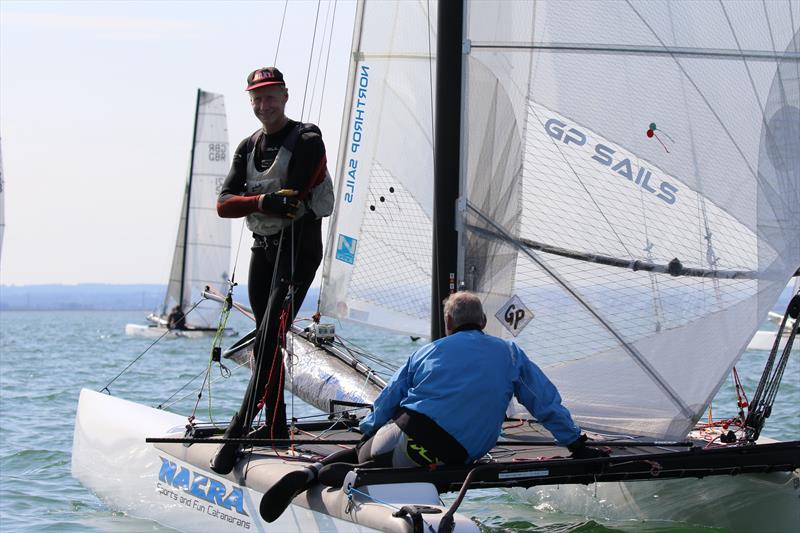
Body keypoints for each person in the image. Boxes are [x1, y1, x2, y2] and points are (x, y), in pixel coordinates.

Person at [258, 291, 608, 522]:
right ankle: (338, 473)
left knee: (364, 454)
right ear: (484, 323)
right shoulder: (511, 354)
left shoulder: (425, 352)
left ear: (448, 324)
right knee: (392, 461)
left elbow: (387, 401)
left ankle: (317, 474)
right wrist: (576, 444)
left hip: (406, 435)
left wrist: (366, 432)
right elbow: (544, 402)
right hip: (456, 454)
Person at [210, 66, 334, 475]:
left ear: (285, 96)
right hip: (262, 251)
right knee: (267, 336)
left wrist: (253, 200)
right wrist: (261, 204)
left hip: (298, 250)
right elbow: (224, 204)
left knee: (268, 338)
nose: (265, 105)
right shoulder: (248, 147)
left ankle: (238, 431)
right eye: (257, 99)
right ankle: (276, 429)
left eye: (271, 96)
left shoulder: (308, 139)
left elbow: (294, 198)